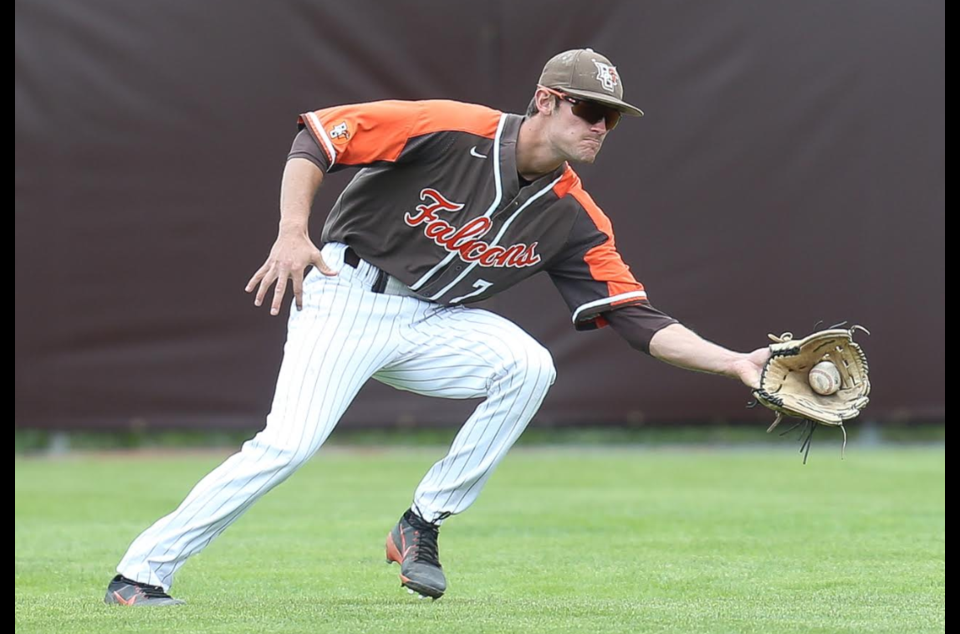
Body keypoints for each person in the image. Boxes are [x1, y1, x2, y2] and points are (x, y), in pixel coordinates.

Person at [104, 48, 770, 606]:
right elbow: (320, 136)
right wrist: (291, 232)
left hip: (435, 320)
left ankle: (421, 522)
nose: (601, 127)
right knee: (287, 447)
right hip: (348, 296)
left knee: (529, 365)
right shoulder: (453, 128)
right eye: (590, 110)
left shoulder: (574, 216)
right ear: (545, 101)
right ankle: (141, 573)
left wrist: (735, 362)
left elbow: (636, 317)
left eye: (612, 121)